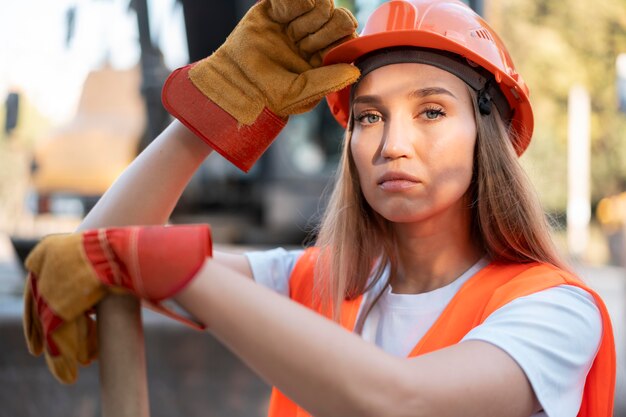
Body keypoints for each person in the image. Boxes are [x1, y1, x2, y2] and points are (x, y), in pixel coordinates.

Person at [23, 0, 616, 416]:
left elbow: (403, 403)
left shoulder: (553, 311)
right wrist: (214, 109)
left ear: (488, 135)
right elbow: (89, 250)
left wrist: (182, 265)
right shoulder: (317, 283)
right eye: (369, 117)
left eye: (431, 111)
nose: (393, 144)